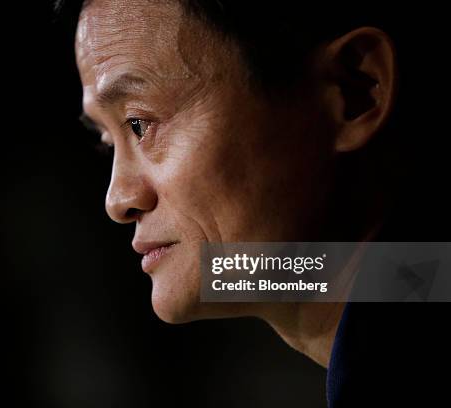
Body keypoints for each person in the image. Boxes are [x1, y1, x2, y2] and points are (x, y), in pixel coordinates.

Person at [56, 1, 450, 406]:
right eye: (108, 141)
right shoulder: (425, 285)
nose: (118, 200)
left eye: (140, 124)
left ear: (353, 91)